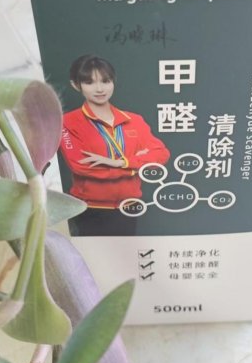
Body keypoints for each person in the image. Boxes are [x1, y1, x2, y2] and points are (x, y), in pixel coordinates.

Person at [60, 54, 170, 236]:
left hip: (129, 206)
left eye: (105, 81)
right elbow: (81, 166)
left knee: (127, 252)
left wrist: (121, 163)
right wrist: (136, 166)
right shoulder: (67, 122)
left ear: (113, 82)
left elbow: (161, 153)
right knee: (92, 254)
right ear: (76, 85)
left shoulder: (134, 120)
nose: (99, 89)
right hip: (90, 208)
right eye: (89, 82)